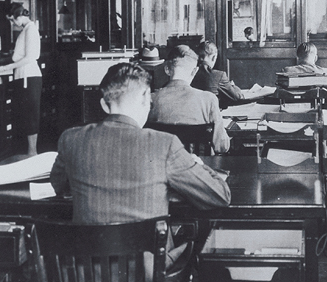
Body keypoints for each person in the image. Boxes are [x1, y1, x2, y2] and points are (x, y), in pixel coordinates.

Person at [50, 62, 230, 277]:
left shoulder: (71, 139)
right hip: (147, 273)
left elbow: (58, 186)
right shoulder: (165, 144)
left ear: (104, 104)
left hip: (86, 273)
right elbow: (219, 196)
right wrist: (199, 165)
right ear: (147, 98)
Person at [149, 45, 230, 153]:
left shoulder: (150, 99)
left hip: (161, 167)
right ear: (194, 71)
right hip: (197, 167)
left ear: (167, 69)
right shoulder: (209, 100)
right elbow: (221, 146)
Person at [0, 3, 42, 156]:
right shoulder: (26, 30)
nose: (12, 23)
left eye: (12, 20)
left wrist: (3, 69)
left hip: (29, 76)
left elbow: (29, 57)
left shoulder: (31, 30)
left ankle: (32, 152)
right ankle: (30, 152)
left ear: (19, 16)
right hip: (23, 76)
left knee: (30, 115)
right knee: (26, 115)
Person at [191, 41, 244, 108]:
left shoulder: (190, 73)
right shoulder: (219, 75)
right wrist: (233, 86)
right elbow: (237, 97)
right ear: (213, 57)